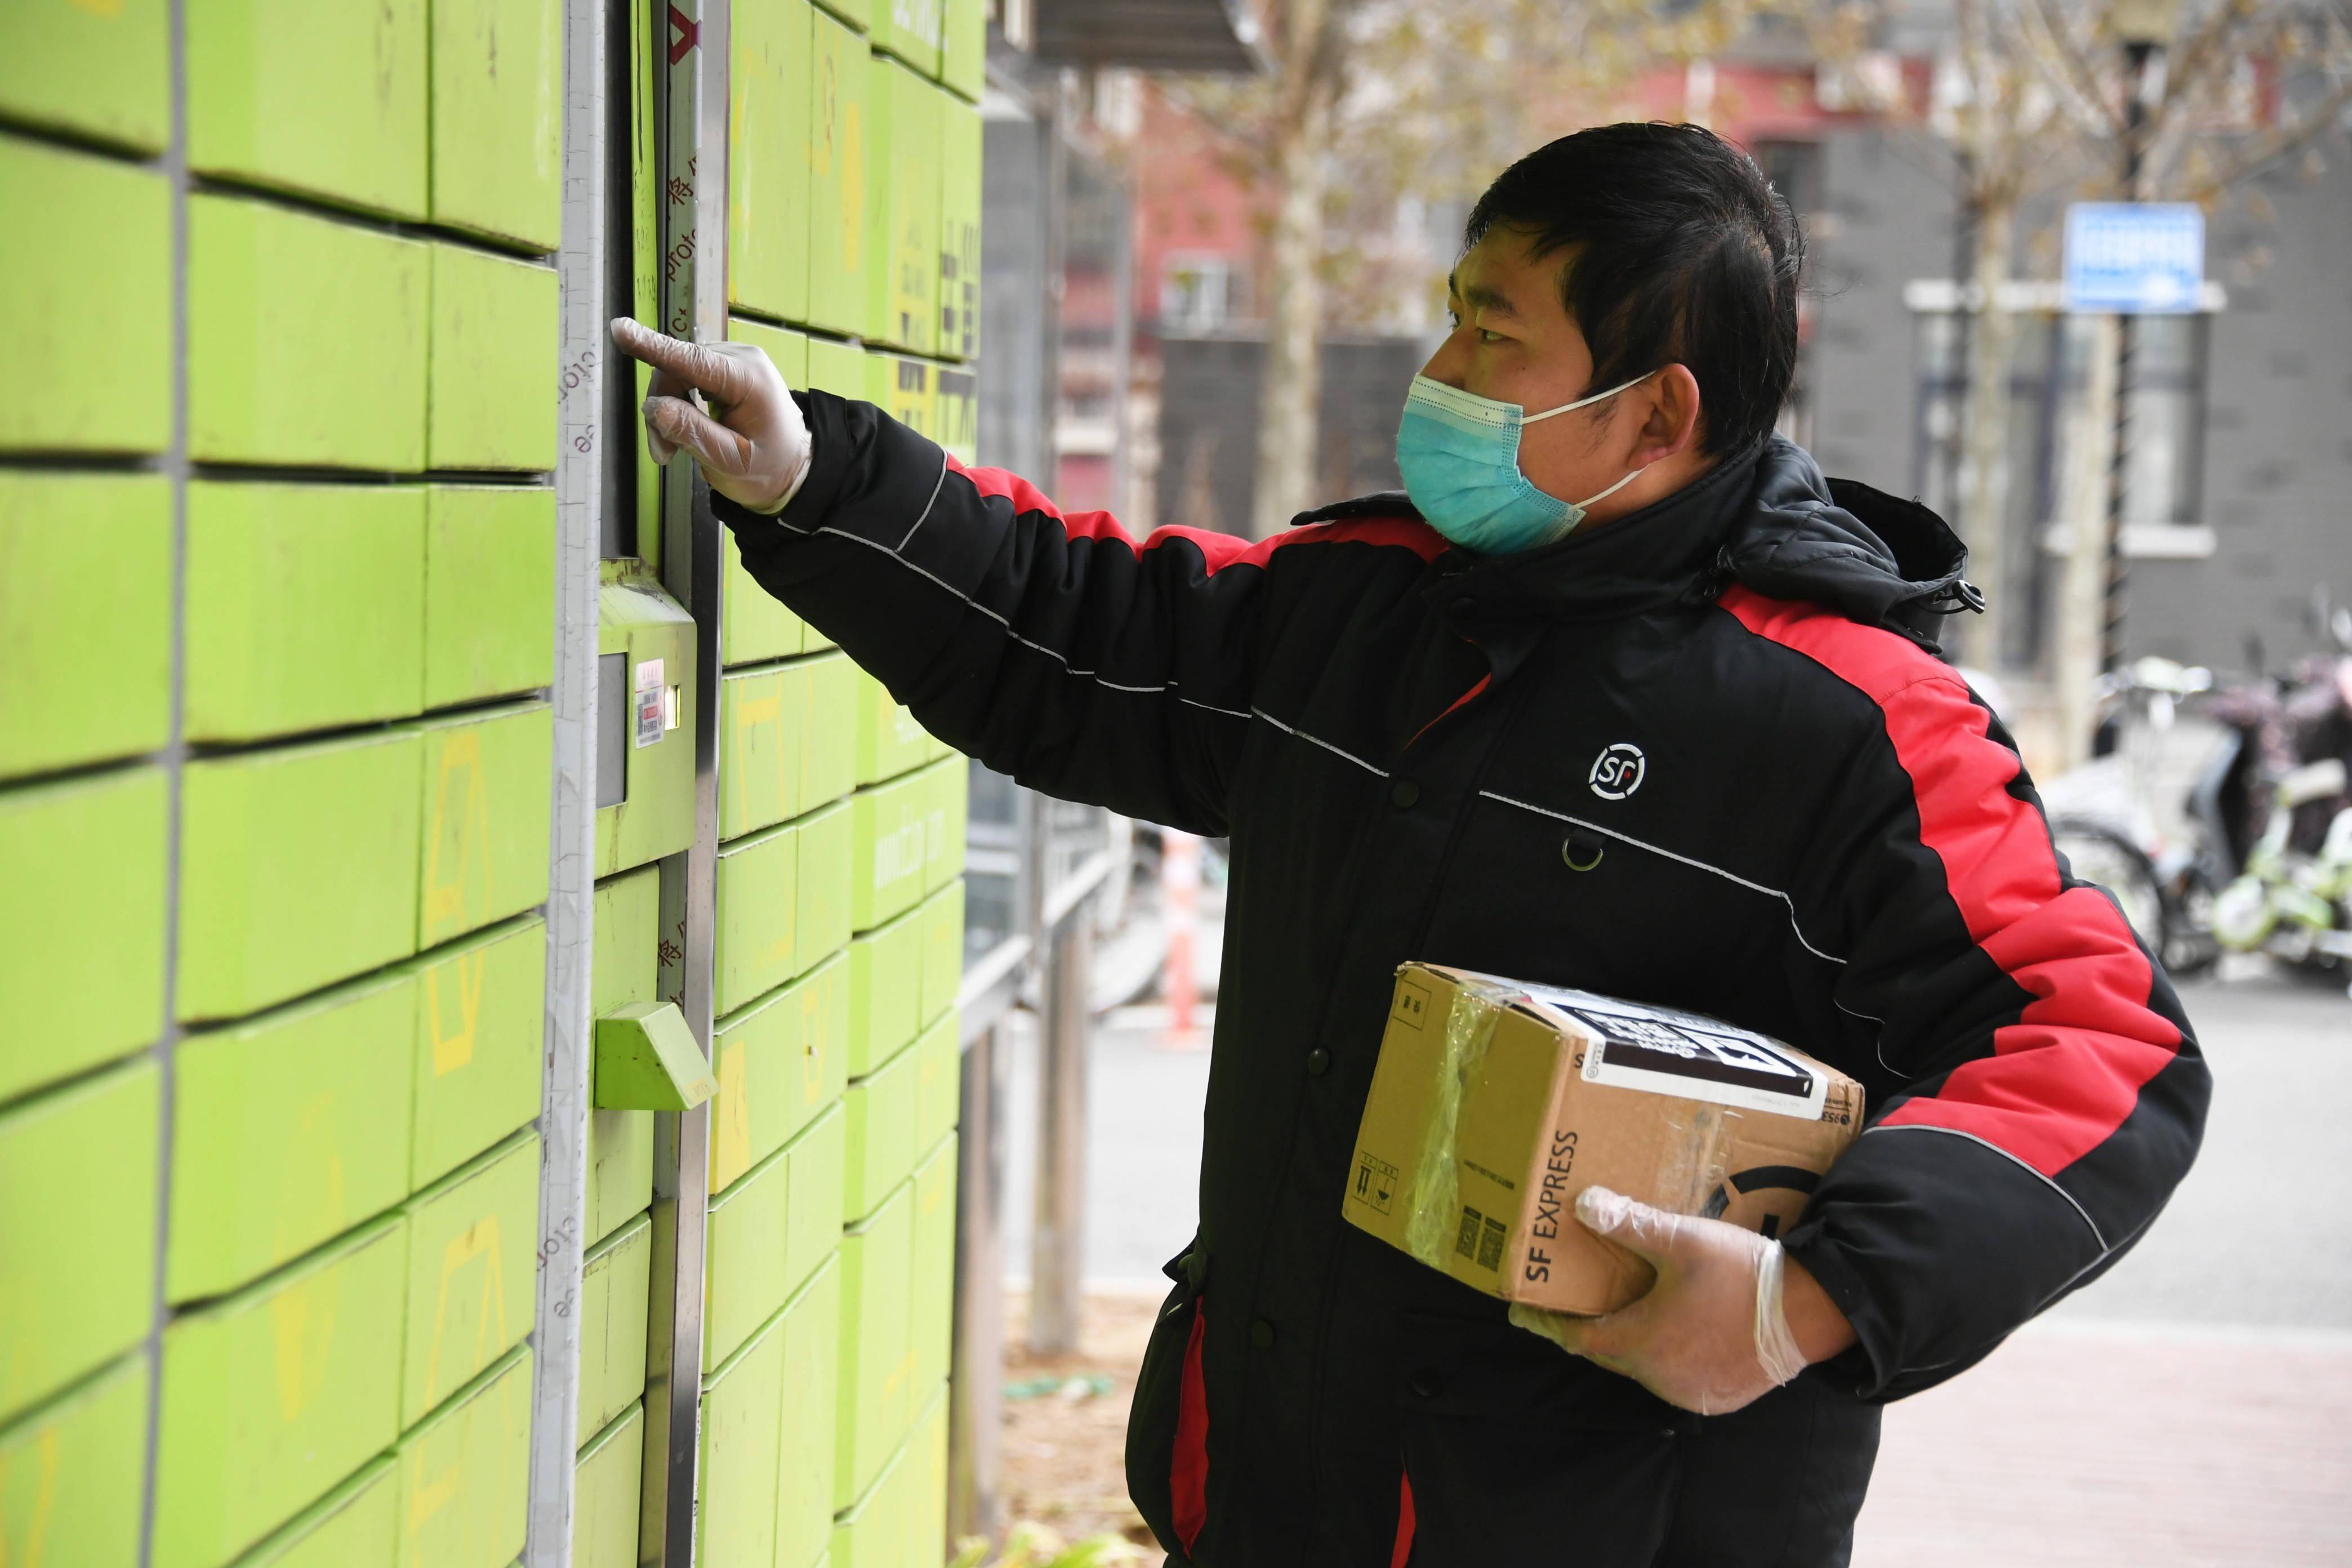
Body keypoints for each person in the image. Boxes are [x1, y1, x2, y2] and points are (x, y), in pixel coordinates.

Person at [612, 122, 2207, 1568]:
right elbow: (1073, 626)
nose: (1439, 366)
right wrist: (820, 485)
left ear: (1658, 411)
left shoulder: (1851, 721)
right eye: (1457, 307)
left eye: (1495, 333)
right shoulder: (1379, 610)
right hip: (1275, 1490)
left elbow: (2100, 1046)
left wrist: (1810, 1307)